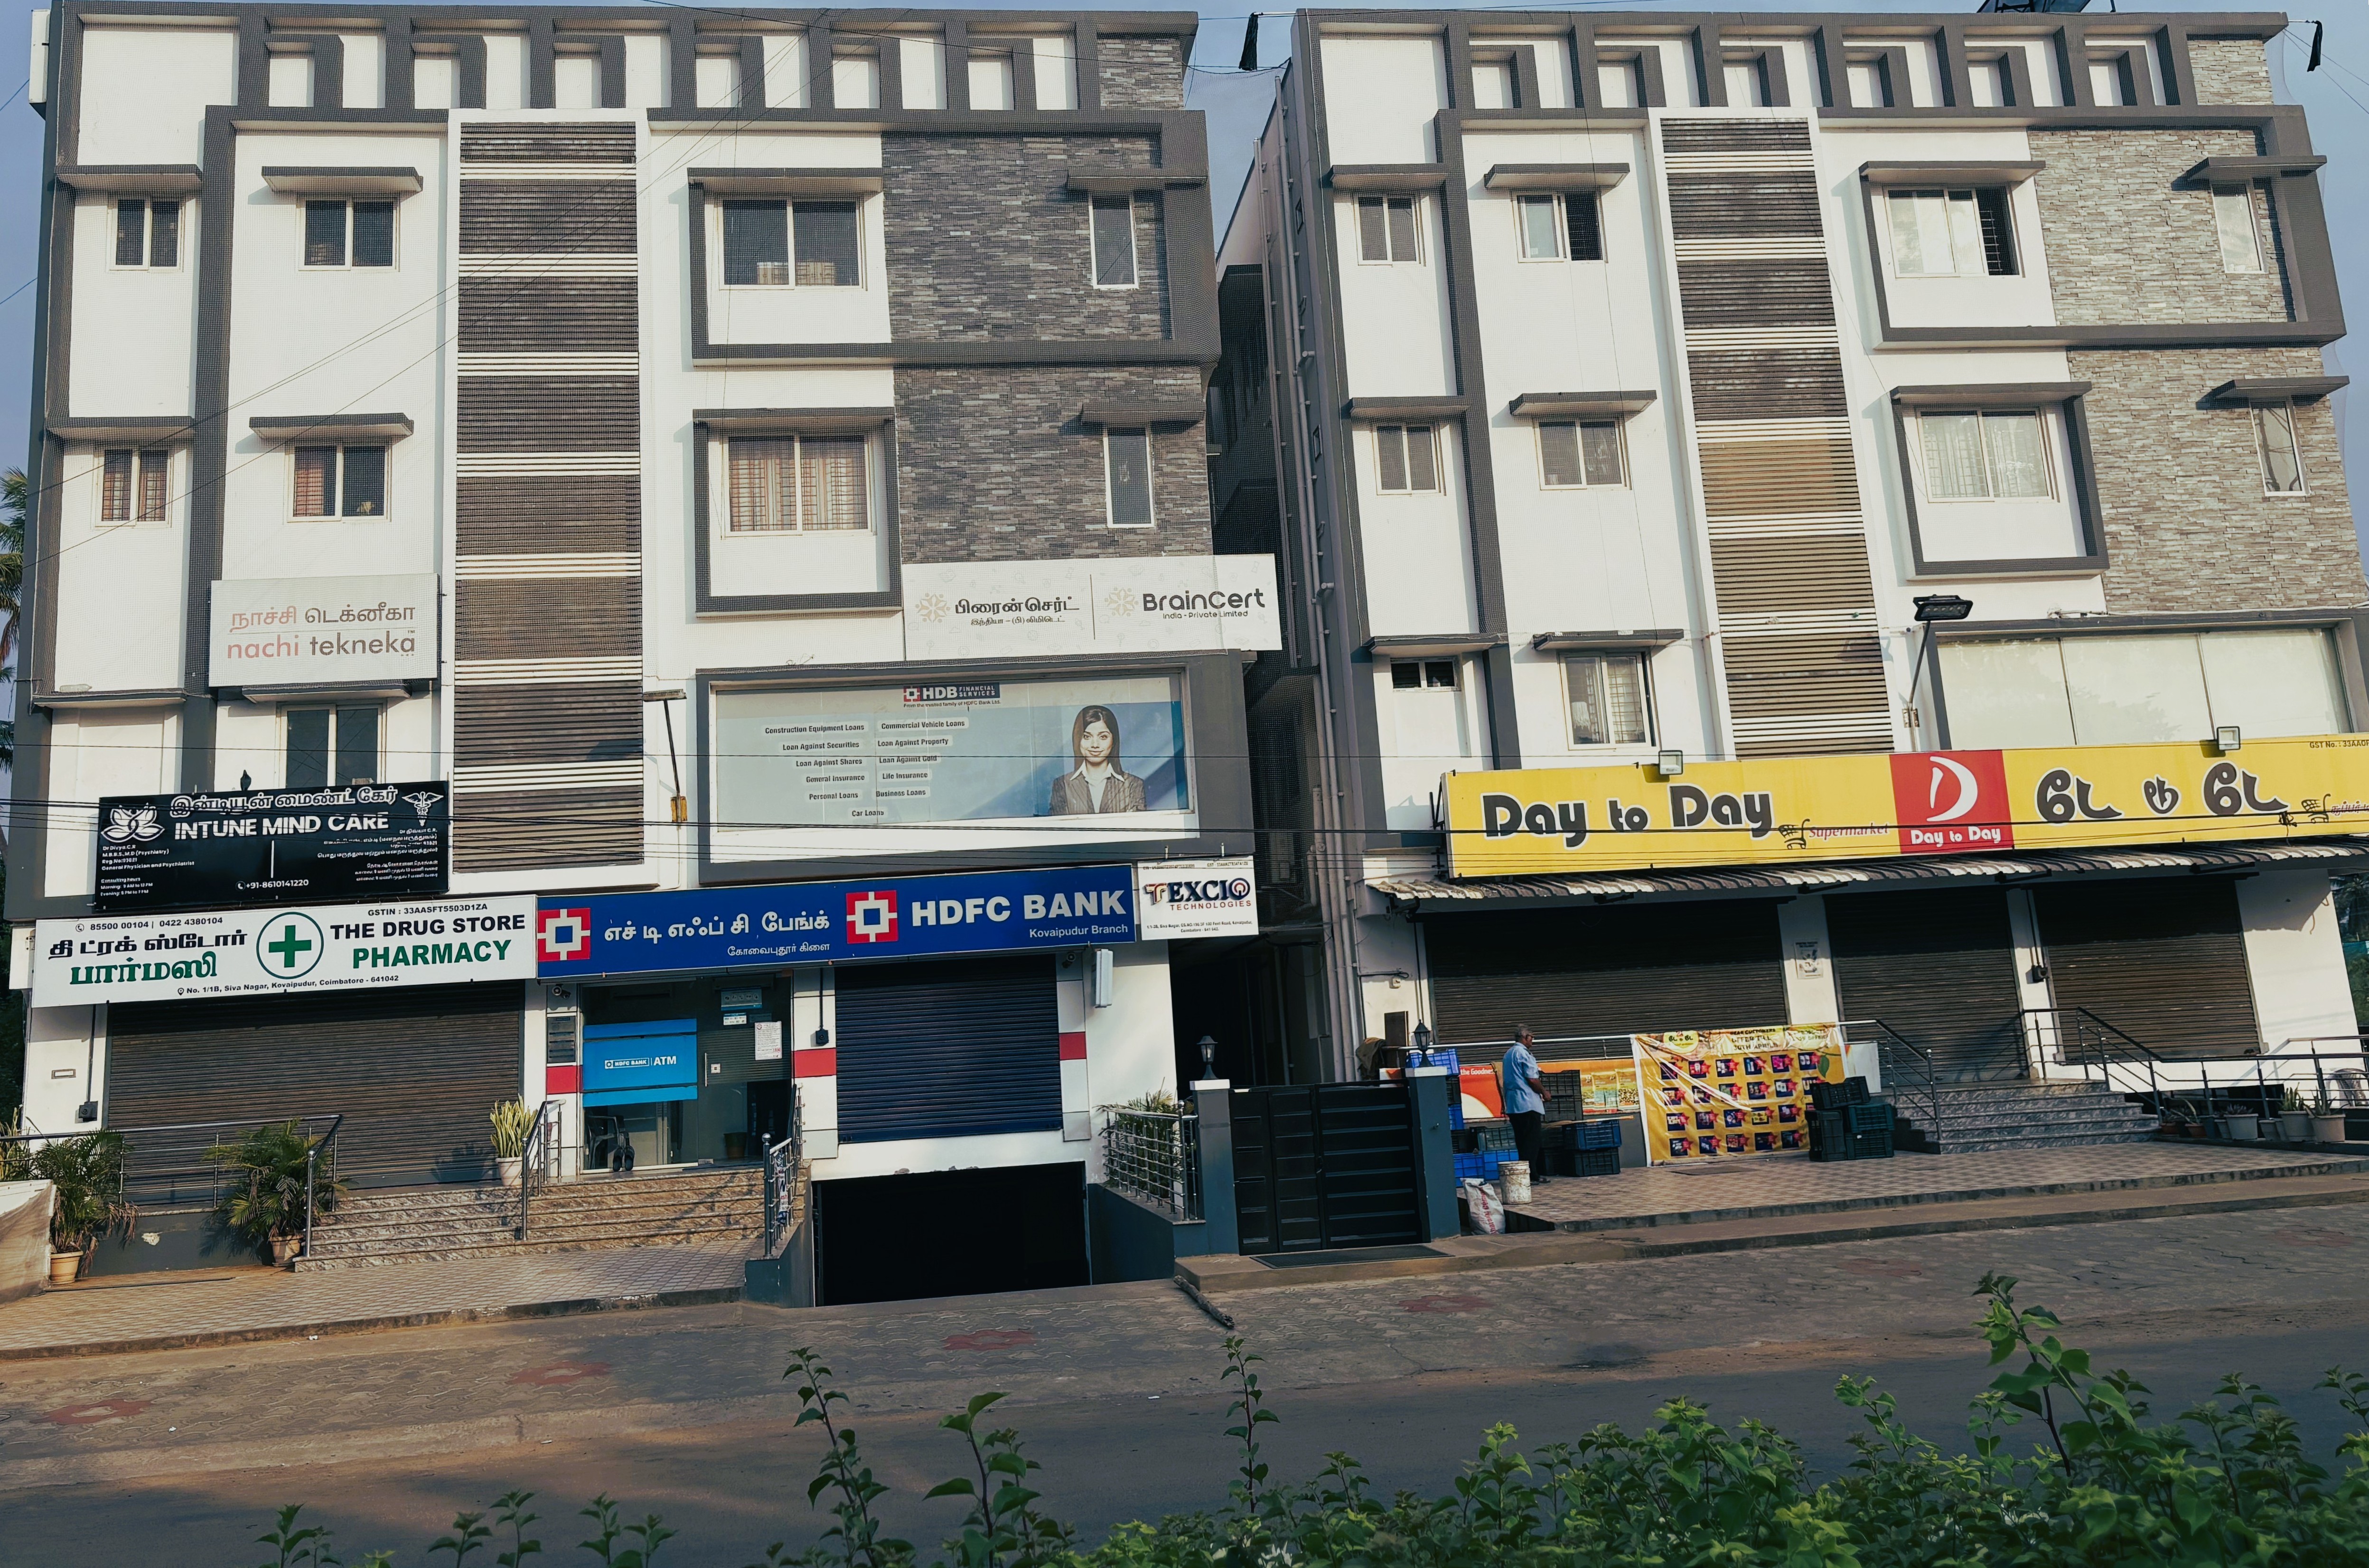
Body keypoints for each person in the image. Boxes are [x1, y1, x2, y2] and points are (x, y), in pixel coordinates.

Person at [1049, 704, 1147, 814]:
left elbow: (1136, 830)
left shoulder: (1133, 785)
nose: (1095, 745)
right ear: (1078, 740)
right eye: (1087, 737)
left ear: (1114, 741)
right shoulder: (1062, 784)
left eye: (1103, 737)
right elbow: (1061, 830)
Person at [1501, 1027, 1548, 1185]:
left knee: (1522, 1141)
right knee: (1532, 1141)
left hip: (1514, 1105)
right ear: (1525, 1037)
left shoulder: (1508, 1054)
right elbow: (1532, 1079)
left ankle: (1527, 1174)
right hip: (1528, 1103)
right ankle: (1532, 1175)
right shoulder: (1523, 1054)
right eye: (1531, 1038)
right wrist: (1544, 1093)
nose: (1532, 1041)